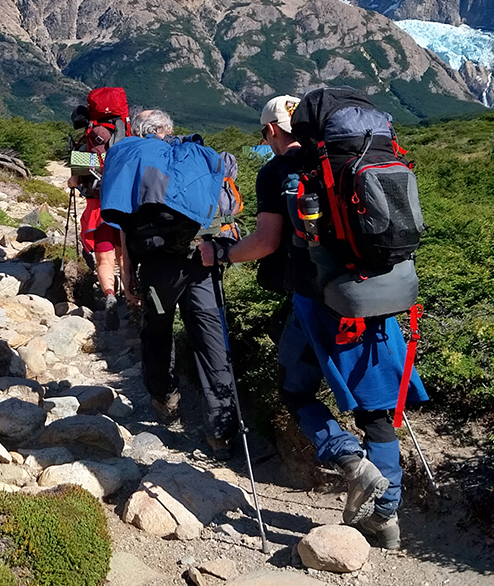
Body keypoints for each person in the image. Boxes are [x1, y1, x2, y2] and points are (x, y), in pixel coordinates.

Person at [197, 95, 427, 549]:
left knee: (295, 389)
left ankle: (350, 462)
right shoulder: (363, 159)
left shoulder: (277, 171)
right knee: (378, 411)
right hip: (385, 291)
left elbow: (264, 243)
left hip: (322, 300)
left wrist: (219, 252)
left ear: (272, 131)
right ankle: (386, 517)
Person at [127, 108, 236, 457]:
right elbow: (222, 212)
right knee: (211, 340)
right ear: (170, 130)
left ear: (142, 132)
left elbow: (126, 225)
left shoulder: (136, 160)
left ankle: (165, 396)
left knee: (157, 328)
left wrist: (128, 274)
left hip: (159, 269)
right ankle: (221, 432)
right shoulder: (197, 155)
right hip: (202, 260)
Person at [68, 96, 136, 330]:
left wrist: (74, 180)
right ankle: (130, 302)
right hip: (124, 208)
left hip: (97, 210)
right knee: (125, 259)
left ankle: (109, 294)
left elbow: (74, 181)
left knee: (104, 260)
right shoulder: (129, 138)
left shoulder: (85, 143)